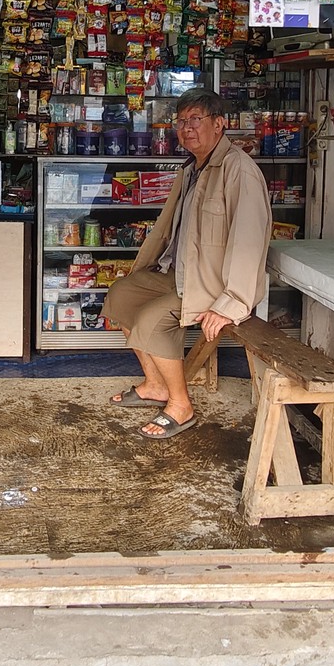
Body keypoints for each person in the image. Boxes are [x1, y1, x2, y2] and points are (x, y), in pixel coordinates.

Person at [100, 88, 273, 440]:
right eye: (181, 122)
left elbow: (249, 240)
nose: (187, 128)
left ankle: (181, 405)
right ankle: (155, 385)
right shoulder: (193, 167)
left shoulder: (238, 170)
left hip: (210, 284)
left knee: (152, 321)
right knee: (120, 297)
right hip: (177, 274)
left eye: (196, 119)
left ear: (220, 124)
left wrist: (232, 302)